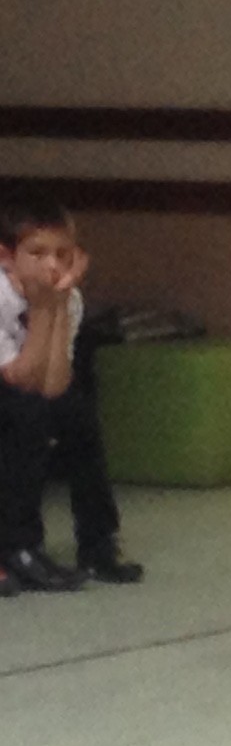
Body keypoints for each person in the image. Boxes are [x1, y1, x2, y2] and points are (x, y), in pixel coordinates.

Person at [1, 192, 139, 594]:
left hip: (25, 388)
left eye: (63, 254)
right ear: (7, 257)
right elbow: (20, 376)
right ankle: (20, 545)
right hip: (11, 385)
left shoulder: (69, 297)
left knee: (76, 414)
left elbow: (54, 384)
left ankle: (97, 543)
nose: (52, 265)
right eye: (37, 253)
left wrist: (57, 305)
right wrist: (43, 307)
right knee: (26, 414)